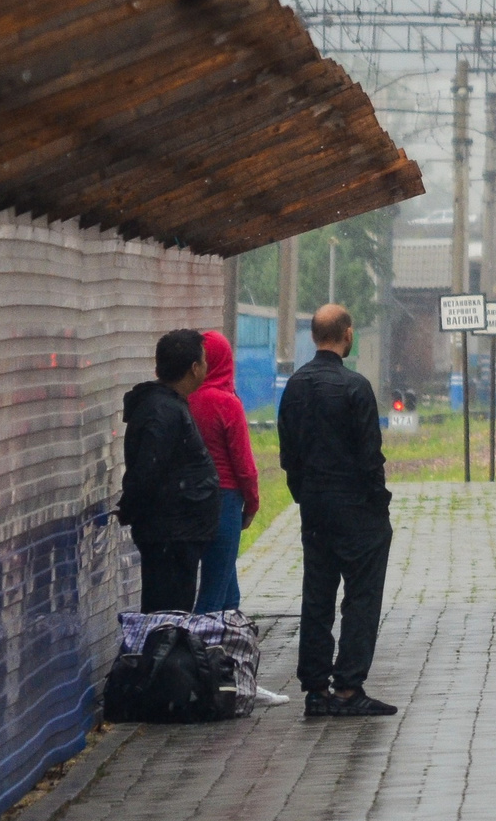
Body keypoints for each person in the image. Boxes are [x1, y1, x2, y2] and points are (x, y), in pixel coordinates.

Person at [277, 303, 398, 718]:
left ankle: (315, 690)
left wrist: (304, 495)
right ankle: (348, 688)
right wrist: (379, 504)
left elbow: (288, 453)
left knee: (317, 595)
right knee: (361, 598)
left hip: (316, 509)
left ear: (314, 336)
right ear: (347, 334)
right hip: (358, 512)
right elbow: (370, 458)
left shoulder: (295, 386)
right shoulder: (355, 387)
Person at [119, 330, 221, 612]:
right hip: (170, 536)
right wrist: (130, 509)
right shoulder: (162, 411)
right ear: (194, 368)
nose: (207, 367)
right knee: (167, 615)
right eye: (204, 360)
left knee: (172, 613)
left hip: (176, 534)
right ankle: (161, 655)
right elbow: (147, 471)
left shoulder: (167, 406)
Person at [188, 329, 261, 612]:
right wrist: (252, 503)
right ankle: (197, 649)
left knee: (229, 593)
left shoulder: (186, 399)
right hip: (226, 499)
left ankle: (226, 646)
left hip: (193, 498)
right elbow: (244, 465)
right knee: (214, 593)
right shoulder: (227, 403)